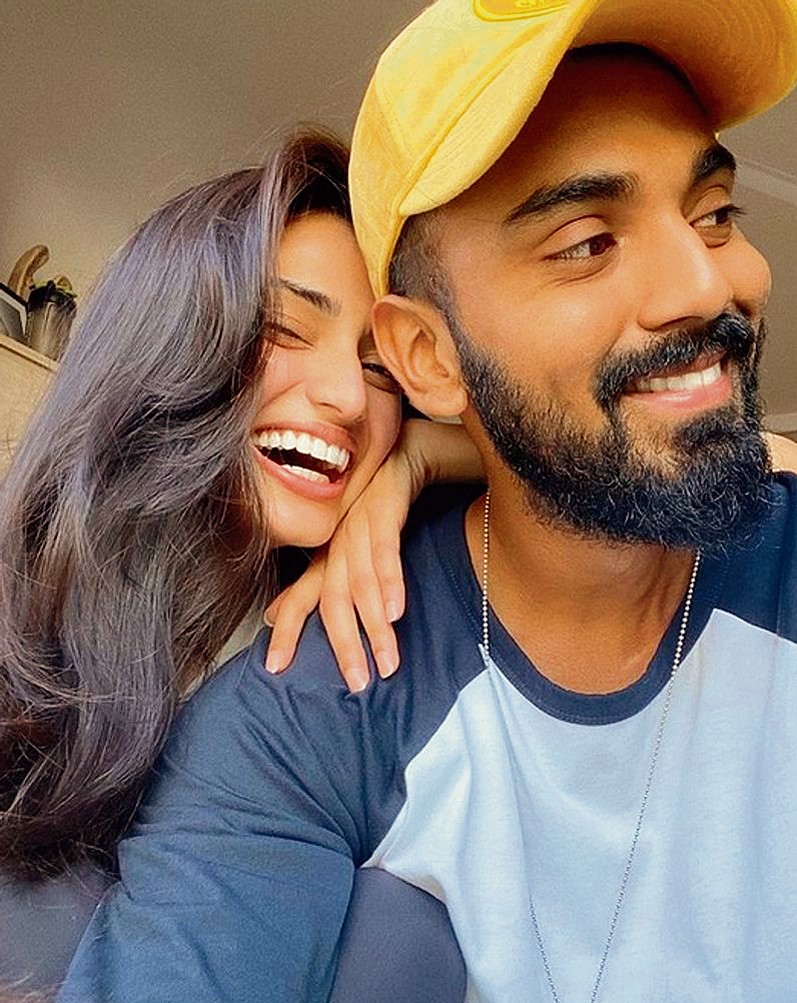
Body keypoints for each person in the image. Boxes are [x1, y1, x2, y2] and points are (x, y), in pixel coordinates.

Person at [58, 0, 797, 1000]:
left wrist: (421, 459)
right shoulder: (298, 705)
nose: (704, 286)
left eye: (712, 215)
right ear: (432, 358)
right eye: (586, 240)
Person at [0, 128, 473, 999]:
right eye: (287, 328)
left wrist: (418, 461)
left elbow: (594, 464)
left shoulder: (356, 632)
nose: (345, 396)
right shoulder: (28, 624)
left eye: (379, 370)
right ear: (168, 341)